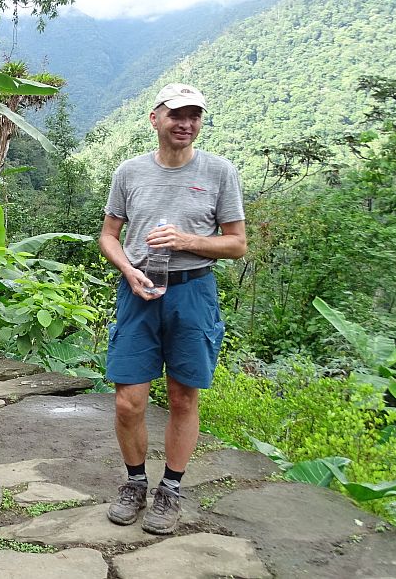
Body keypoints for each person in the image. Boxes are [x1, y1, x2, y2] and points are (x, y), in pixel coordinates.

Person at [97, 83, 247, 534]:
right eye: (176, 114)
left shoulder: (220, 172)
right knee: (128, 401)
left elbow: (237, 243)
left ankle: (171, 491)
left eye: (194, 116)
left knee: (183, 396)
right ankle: (135, 483)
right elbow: (108, 235)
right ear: (155, 119)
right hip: (139, 290)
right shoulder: (129, 172)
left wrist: (187, 241)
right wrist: (127, 269)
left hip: (192, 291)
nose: (186, 123)